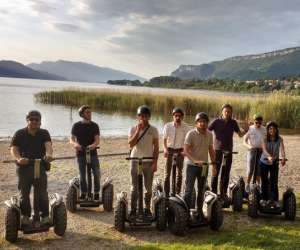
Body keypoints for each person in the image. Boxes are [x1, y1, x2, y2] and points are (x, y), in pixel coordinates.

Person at [10, 110, 53, 225]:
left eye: (36, 120)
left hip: (40, 165)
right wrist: (19, 158)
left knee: (42, 193)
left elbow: (48, 145)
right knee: (24, 193)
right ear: (27, 121)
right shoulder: (19, 133)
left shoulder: (44, 133)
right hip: (24, 167)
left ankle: (44, 216)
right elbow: (14, 148)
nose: (34, 121)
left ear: (40, 122)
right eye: (31, 119)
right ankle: (25, 216)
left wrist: (49, 155)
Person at [208, 104, 246, 201]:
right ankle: (213, 192)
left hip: (228, 151)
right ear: (222, 112)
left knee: (226, 173)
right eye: (226, 111)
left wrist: (246, 129)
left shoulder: (233, 122)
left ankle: (223, 193)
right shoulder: (216, 121)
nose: (227, 113)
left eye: (229, 112)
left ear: (231, 113)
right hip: (217, 150)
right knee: (215, 172)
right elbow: (207, 131)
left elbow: (240, 134)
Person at [128, 105, 159, 217]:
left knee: (148, 188)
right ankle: (133, 209)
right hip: (135, 160)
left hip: (148, 161)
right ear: (138, 117)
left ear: (149, 117)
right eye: (141, 116)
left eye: (146, 116)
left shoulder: (154, 130)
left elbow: (156, 147)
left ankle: (146, 208)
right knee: (134, 187)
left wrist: (155, 163)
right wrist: (137, 131)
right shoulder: (133, 128)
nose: (143, 118)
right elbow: (131, 144)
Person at [183, 112, 215, 214]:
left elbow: (211, 150)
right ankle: (186, 212)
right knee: (189, 190)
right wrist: (195, 161)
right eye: (200, 121)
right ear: (196, 123)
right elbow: (185, 151)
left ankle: (200, 211)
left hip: (204, 167)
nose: (202, 124)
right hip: (191, 166)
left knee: (201, 190)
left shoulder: (210, 134)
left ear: (207, 123)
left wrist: (214, 165)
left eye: (204, 122)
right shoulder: (191, 134)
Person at [70, 105, 100, 200]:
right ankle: (83, 192)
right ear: (82, 114)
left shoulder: (94, 125)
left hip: (93, 153)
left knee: (96, 173)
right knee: (82, 175)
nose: (90, 114)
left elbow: (97, 140)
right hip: (80, 153)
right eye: (87, 112)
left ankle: (96, 192)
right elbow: (71, 139)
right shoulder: (76, 125)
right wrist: (75, 145)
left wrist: (93, 145)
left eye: (90, 112)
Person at [163, 107, 191, 196]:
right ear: (173, 116)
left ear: (182, 117)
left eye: (179, 116)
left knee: (179, 173)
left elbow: (189, 140)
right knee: (167, 174)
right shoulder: (167, 126)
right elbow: (164, 139)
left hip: (180, 151)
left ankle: (177, 192)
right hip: (170, 150)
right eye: (176, 116)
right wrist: (165, 149)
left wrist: (185, 150)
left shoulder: (186, 127)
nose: (177, 118)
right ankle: (166, 193)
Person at [259, 121, 286, 208]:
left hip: (274, 163)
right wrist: (269, 156)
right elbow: (264, 150)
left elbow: (282, 149)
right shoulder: (264, 139)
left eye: (274, 128)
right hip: (264, 162)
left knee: (274, 182)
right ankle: (264, 199)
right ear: (268, 130)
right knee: (264, 181)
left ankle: (274, 200)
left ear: (276, 129)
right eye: (270, 128)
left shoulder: (280, 139)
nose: (272, 130)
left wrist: (283, 158)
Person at [243, 113, 266, 192]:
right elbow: (244, 141)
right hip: (252, 151)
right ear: (254, 122)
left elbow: (267, 141)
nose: (258, 124)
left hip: (261, 152)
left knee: (259, 170)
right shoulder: (250, 128)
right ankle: (248, 184)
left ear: (262, 122)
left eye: (260, 123)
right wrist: (250, 147)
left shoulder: (264, 129)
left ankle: (258, 185)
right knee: (250, 170)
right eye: (256, 122)